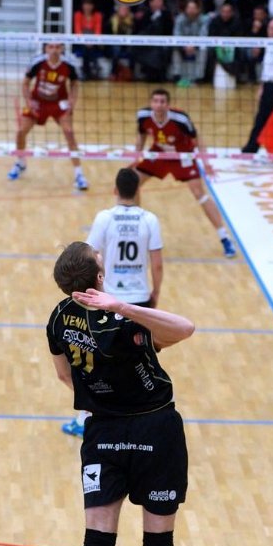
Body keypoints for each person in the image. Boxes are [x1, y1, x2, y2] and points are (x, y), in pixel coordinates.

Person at [47, 239, 195, 546]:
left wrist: (104, 391)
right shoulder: (127, 320)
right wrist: (122, 306)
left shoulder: (58, 319)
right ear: (97, 277)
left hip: (104, 432)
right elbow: (185, 328)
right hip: (156, 429)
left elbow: (65, 376)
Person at [61, 168, 164, 438]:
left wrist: (90, 293)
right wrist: (155, 294)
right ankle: (139, 416)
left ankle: (86, 419)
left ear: (115, 190)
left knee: (96, 362)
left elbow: (86, 259)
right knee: (139, 361)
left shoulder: (105, 218)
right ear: (138, 191)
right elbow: (157, 264)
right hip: (139, 300)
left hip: (108, 300)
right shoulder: (149, 220)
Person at [133, 89, 237, 258]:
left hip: (183, 156)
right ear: (151, 103)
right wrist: (136, 157)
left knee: (199, 193)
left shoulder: (180, 119)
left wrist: (206, 163)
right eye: (156, 101)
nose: (159, 105)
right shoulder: (143, 116)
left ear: (168, 104)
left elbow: (198, 140)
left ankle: (224, 237)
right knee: (133, 182)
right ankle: (137, 231)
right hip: (160, 154)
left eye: (162, 102)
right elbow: (141, 135)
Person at [7, 43, 89, 190]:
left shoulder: (69, 64)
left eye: (57, 47)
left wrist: (72, 102)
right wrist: (29, 102)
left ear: (62, 48)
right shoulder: (37, 62)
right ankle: (20, 162)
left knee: (69, 133)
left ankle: (79, 174)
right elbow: (25, 84)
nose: (54, 50)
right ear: (46, 49)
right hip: (37, 102)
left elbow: (75, 84)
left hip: (59, 103)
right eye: (51, 47)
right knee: (21, 131)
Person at [241, 16, 273, 154]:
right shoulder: (269, 43)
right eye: (270, 28)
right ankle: (271, 148)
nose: (272, 31)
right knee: (268, 116)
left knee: (265, 117)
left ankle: (253, 147)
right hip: (268, 85)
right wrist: (262, 87)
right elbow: (267, 69)